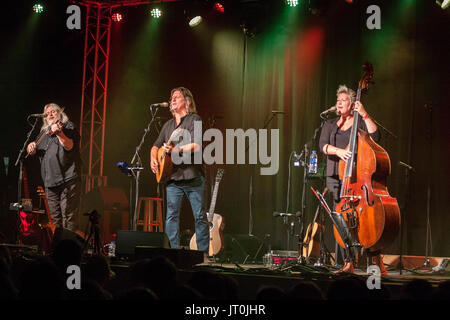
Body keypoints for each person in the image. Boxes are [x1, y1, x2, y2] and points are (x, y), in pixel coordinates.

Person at [319, 85, 387, 275]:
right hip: (335, 176)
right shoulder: (330, 124)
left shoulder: (360, 123)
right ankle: (348, 262)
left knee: (367, 218)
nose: (339, 103)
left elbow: (376, 136)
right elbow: (322, 145)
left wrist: (364, 114)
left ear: (353, 104)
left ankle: (374, 258)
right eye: (338, 100)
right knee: (341, 218)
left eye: (343, 100)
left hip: (358, 178)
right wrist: (339, 152)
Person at [150, 87, 210, 260]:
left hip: (193, 176)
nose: (172, 100)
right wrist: (153, 159)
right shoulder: (168, 125)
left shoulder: (194, 119)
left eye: (177, 97)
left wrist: (177, 149)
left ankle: (203, 254)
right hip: (173, 178)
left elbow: (197, 145)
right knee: (171, 216)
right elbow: (155, 146)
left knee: (199, 216)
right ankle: (172, 253)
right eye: (171, 98)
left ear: (187, 101)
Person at [26, 103, 81, 239]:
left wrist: (60, 133)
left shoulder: (68, 126)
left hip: (68, 179)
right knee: (55, 220)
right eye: (47, 113)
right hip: (50, 182)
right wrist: (31, 148)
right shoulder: (43, 133)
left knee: (68, 217)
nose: (50, 114)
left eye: (53, 112)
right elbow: (36, 151)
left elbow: (69, 146)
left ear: (60, 114)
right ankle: (58, 250)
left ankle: (70, 249)